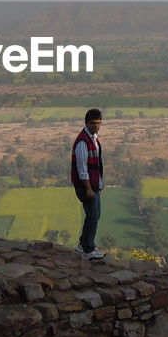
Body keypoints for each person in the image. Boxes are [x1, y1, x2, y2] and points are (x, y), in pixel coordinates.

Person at [70, 108, 106, 260]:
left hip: (93, 184)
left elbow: (96, 165)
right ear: (86, 123)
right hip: (86, 186)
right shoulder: (83, 142)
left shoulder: (93, 138)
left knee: (94, 215)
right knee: (92, 215)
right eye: (92, 123)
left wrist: (100, 182)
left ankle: (83, 244)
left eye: (98, 123)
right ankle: (88, 250)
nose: (96, 126)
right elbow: (82, 168)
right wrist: (89, 188)